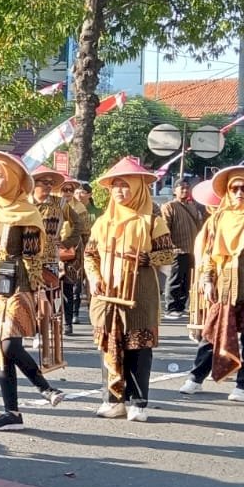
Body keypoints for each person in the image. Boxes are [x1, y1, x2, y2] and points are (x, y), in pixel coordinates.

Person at [0, 150, 66, 431]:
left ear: (13, 179)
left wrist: (39, 290)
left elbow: (33, 256)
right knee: (1, 350)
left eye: (0, 176)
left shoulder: (27, 212)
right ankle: (12, 413)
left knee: (10, 342)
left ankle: (45, 388)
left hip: (19, 283)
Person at [180, 166, 244, 402]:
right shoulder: (219, 217)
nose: (239, 192)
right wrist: (207, 280)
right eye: (234, 188)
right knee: (212, 332)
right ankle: (196, 378)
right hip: (224, 282)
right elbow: (209, 253)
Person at [85, 158, 178, 421]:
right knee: (109, 344)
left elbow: (167, 254)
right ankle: (113, 400)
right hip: (107, 291)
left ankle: (138, 402)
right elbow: (90, 254)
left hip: (140, 292)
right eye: (115, 186)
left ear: (138, 189)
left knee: (138, 347)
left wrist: (147, 259)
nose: (119, 192)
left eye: (125, 186)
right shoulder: (103, 222)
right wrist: (93, 277)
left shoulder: (151, 220)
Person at [160, 178, 204, 318]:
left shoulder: (193, 207)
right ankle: (171, 307)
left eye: (186, 187)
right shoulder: (169, 206)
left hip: (192, 250)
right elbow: (165, 228)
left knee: (187, 279)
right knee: (175, 279)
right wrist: (169, 247)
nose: (185, 190)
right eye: (181, 188)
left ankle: (181, 306)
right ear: (175, 190)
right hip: (177, 250)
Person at [59, 179, 94, 332]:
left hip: (72, 252)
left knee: (70, 287)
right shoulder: (52, 204)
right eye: (64, 190)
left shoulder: (79, 208)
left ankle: (68, 322)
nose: (67, 193)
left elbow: (84, 232)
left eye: (70, 190)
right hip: (49, 251)